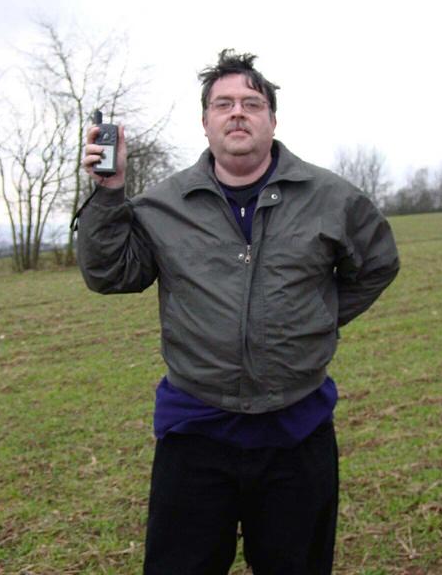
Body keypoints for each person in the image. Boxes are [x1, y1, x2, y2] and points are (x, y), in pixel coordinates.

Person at [75, 49, 399, 575]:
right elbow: (111, 275)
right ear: (205, 122)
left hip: (298, 431)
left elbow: (378, 263)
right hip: (196, 433)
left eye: (252, 102)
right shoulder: (162, 204)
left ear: (272, 118)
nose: (238, 112)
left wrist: (315, 317)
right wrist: (110, 195)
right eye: (223, 103)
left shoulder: (332, 198)